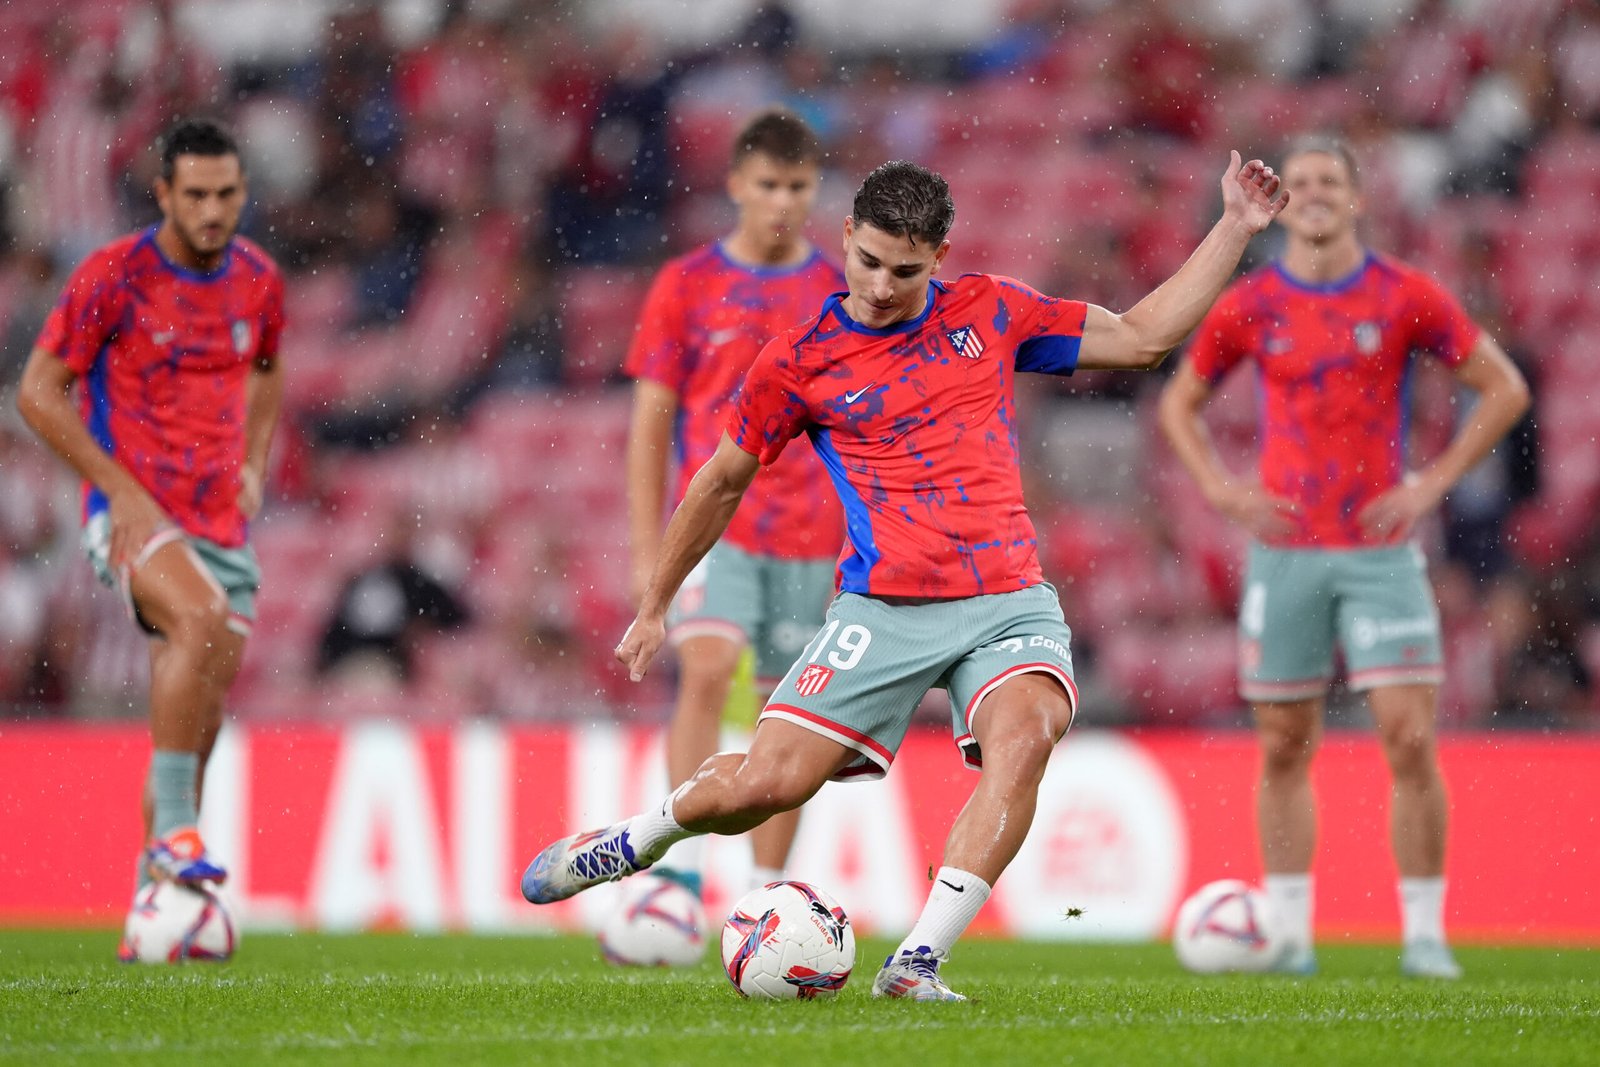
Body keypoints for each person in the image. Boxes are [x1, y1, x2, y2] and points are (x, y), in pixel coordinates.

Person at [523, 150, 1288, 1000]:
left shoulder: (993, 312)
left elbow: (1144, 338)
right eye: (869, 262)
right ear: (846, 237)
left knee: (1027, 735)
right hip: (884, 606)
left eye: (907, 270)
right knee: (768, 783)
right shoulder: (799, 360)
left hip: (1007, 601)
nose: (883, 286)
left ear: (942, 257)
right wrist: (658, 601)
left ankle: (917, 959)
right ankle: (640, 837)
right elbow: (720, 479)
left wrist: (1233, 226)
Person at [1156, 136, 1530, 980]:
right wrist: (1222, 491)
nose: (1317, 193)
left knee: (1407, 737)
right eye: (1305, 182)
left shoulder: (1403, 296)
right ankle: (1289, 934)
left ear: (1359, 200)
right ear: (1284, 202)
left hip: (1379, 552)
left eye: (1333, 181)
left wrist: (1432, 482)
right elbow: (1178, 402)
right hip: (1285, 551)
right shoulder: (1253, 302)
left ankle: (1426, 935)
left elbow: (1503, 385)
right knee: (1285, 742)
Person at [15, 117, 285, 957]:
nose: (212, 210)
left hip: (221, 518)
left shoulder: (259, 281)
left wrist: (256, 460)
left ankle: (154, 904)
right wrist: (117, 490)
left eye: (226, 193)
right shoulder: (114, 275)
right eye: (195, 194)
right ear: (163, 193)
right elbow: (36, 393)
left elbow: (270, 367)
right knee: (197, 622)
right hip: (137, 511)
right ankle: (175, 837)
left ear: (243, 192)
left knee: (199, 711)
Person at [623, 108, 845, 901]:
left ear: (815, 190)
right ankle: (677, 872)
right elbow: (651, 424)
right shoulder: (685, 284)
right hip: (719, 524)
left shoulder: (836, 291)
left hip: (813, 531)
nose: (782, 202)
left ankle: (770, 891)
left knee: (790, 711)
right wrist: (650, 552)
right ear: (735, 187)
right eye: (767, 185)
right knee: (708, 665)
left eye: (797, 186)